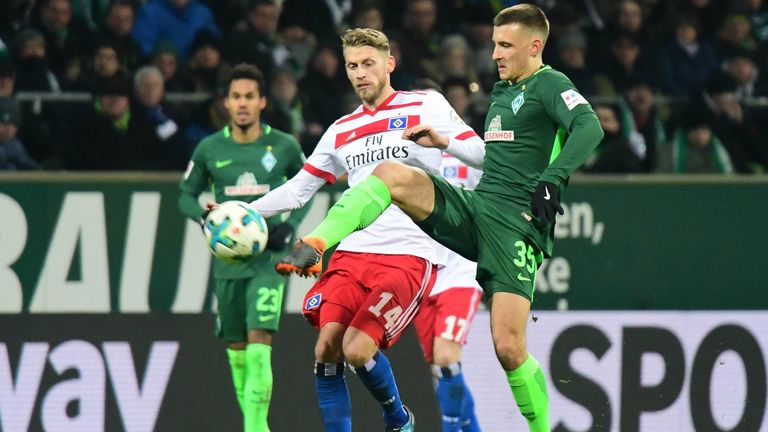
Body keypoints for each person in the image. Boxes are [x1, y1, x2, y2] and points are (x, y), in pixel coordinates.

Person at [278, 5, 604, 431]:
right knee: (392, 173)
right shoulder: (502, 92)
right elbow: (493, 157)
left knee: (508, 348)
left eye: (506, 45)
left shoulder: (551, 83)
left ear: (534, 46)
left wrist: (552, 180)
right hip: (479, 207)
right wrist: (443, 141)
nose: (495, 54)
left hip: (517, 223)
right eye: (494, 44)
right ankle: (318, 241)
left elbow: (590, 128)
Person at [243, 28, 485, 431]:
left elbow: (481, 154)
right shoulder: (341, 129)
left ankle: (398, 418)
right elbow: (299, 190)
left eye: (368, 63)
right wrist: (245, 211)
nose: (359, 73)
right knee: (326, 349)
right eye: (352, 66)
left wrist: (444, 141)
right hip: (354, 253)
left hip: (408, 254)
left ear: (389, 64)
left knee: (358, 350)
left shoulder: (425, 104)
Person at [178, 63, 309, 432]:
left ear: (263, 101)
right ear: (226, 102)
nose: (242, 103)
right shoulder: (209, 148)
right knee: (237, 351)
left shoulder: (283, 146)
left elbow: (307, 186)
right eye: (236, 96)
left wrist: (290, 226)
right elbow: (186, 195)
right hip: (228, 262)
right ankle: (254, 425)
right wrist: (204, 218)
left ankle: (255, 429)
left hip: (268, 261)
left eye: (250, 96)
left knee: (259, 341)